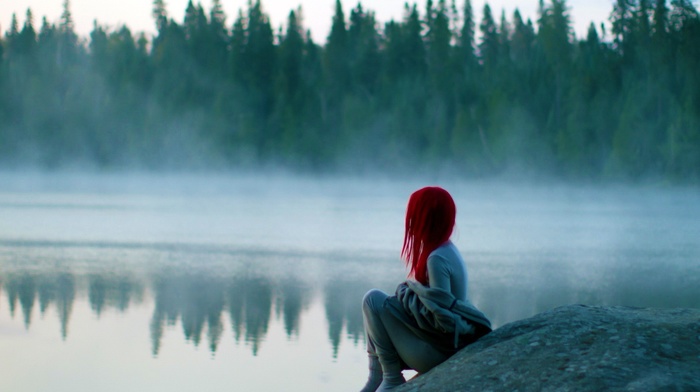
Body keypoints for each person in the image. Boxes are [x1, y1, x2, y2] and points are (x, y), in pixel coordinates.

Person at [360, 186, 492, 392]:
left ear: (425, 219)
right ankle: (377, 376)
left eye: (413, 216)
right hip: (440, 347)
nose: (409, 223)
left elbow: (442, 321)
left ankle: (390, 378)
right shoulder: (446, 250)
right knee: (378, 305)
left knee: (373, 300)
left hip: (438, 351)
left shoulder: (437, 258)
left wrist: (407, 297)